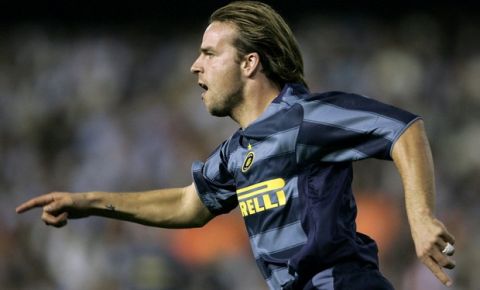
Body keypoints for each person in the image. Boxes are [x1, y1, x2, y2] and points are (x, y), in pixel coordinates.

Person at [16, 1, 456, 290]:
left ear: (249, 63)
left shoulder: (305, 117)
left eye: (209, 53)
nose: (194, 66)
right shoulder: (237, 152)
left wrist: (420, 218)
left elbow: (403, 129)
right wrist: (87, 201)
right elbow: (188, 205)